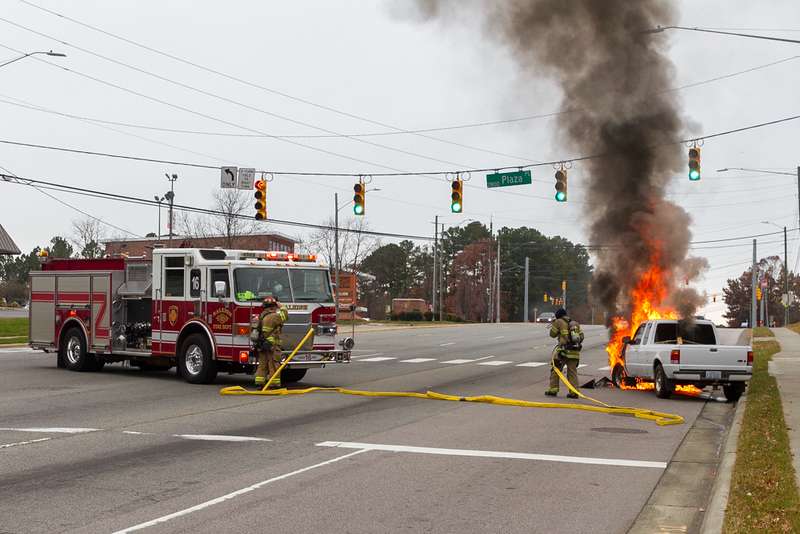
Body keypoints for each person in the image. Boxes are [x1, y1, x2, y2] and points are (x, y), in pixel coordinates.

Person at [545, 308, 584, 398]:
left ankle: (553, 390)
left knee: (556, 369)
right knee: (572, 373)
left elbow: (552, 334)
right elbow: (581, 337)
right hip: (574, 351)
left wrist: (554, 324)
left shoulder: (558, 321)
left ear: (558, 315)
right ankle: (574, 392)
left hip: (563, 352)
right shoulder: (575, 323)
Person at [254, 296, 289, 388]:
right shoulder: (273, 316)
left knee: (262, 364)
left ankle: (259, 383)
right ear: (273, 306)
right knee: (273, 364)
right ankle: (274, 384)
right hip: (272, 345)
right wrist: (281, 306)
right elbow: (285, 315)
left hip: (261, 344)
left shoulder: (261, 316)